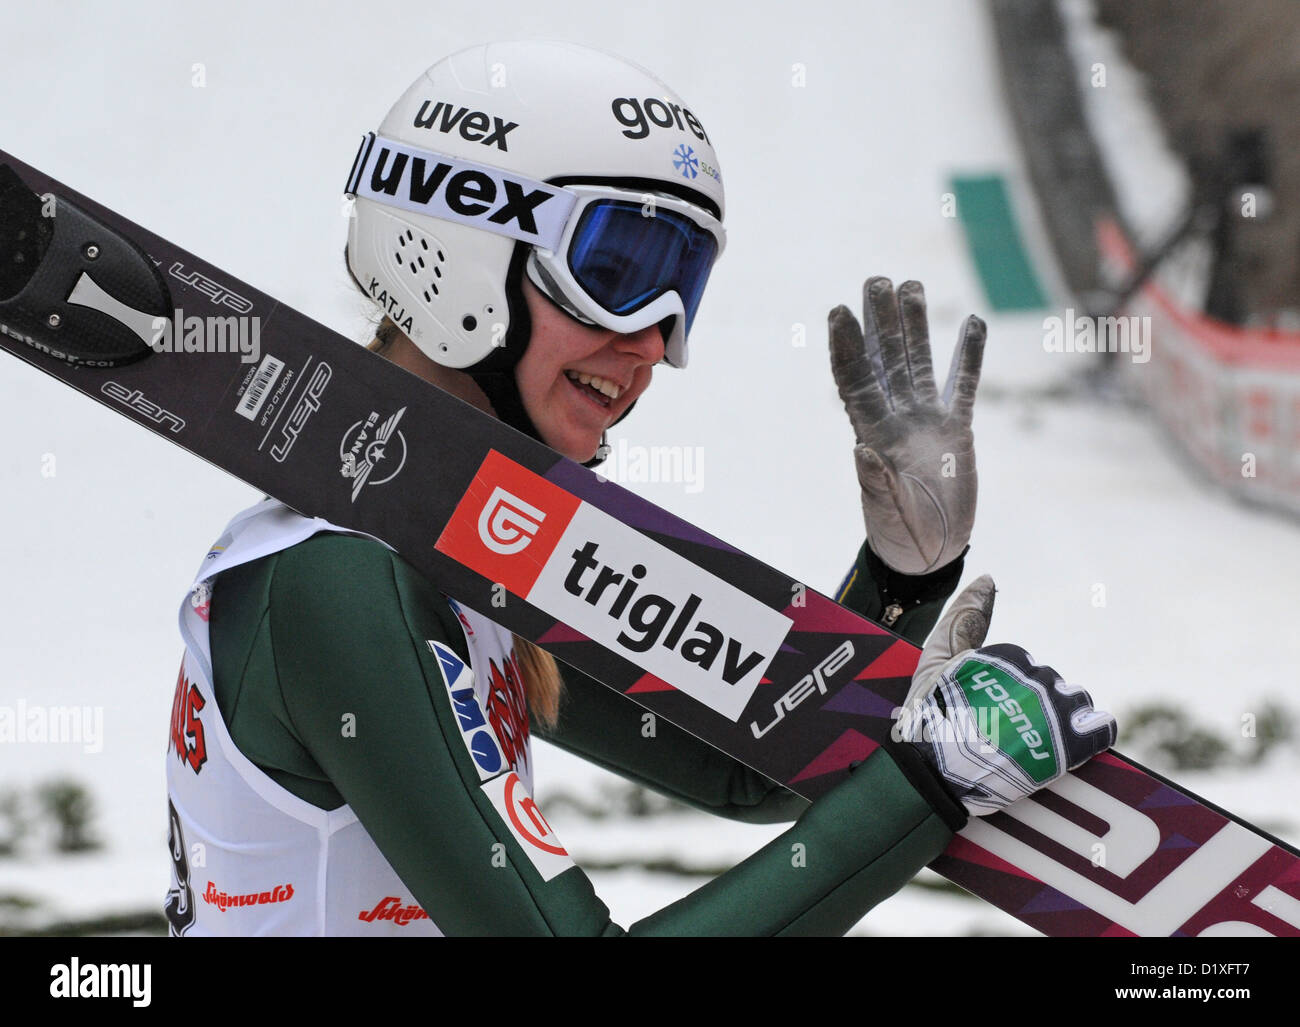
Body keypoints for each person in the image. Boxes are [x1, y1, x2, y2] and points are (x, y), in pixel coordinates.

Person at [163, 40, 1115, 936]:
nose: (655, 340)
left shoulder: (472, 546)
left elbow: (748, 766)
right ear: (455, 254)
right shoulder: (338, 582)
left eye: (681, 287)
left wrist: (905, 577)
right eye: (616, 271)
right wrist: (928, 784)